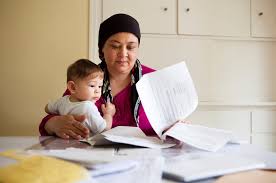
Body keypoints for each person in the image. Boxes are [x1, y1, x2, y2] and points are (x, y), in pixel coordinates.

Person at [39, 13, 160, 139]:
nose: (123, 53)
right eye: (115, 46)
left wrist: (178, 127)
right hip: (92, 155)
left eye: (131, 47)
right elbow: (58, 111)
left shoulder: (155, 79)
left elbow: (173, 127)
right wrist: (53, 124)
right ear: (102, 48)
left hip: (145, 157)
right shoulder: (85, 78)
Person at [45, 59, 116, 136]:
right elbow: (104, 129)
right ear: (72, 87)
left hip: (65, 144)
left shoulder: (62, 101)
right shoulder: (88, 107)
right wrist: (108, 114)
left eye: (100, 86)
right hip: (86, 145)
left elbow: (47, 108)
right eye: (92, 85)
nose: (98, 91)